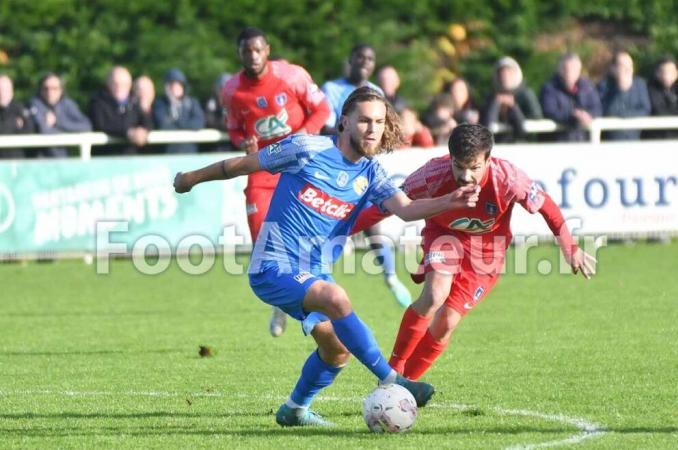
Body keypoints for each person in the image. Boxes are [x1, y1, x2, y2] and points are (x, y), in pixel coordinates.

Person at [173, 86, 480, 426]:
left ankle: (294, 411)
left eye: (378, 122)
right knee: (335, 297)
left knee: (337, 350)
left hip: (314, 272)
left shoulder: (371, 172)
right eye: (364, 120)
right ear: (344, 122)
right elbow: (241, 165)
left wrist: (450, 201)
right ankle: (392, 379)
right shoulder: (306, 148)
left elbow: (406, 210)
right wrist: (191, 178)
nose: (372, 129)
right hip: (273, 267)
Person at [351, 123, 596, 381]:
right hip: (444, 236)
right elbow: (387, 205)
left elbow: (547, 207)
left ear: (488, 159)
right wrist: (344, 230)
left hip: (486, 254)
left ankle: (405, 385)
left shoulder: (508, 179)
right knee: (434, 295)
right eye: (459, 166)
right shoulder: (431, 174)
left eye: (475, 167)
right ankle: (392, 373)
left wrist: (570, 248)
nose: (466, 176)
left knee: (446, 323)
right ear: (450, 158)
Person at [220, 27, 330, 337]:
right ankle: (284, 301)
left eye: (257, 49)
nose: (253, 56)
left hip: (297, 165)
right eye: (246, 51)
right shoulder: (231, 90)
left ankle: (302, 301)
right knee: (262, 240)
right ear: (239, 53)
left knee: (306, 236)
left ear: (267, 49)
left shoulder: (292, 76)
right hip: (262, 168)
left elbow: (322, 108)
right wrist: (244, 141)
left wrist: (304, 135)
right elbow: (233, 128)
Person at [322, 44, 412, 309]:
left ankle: (392, 278)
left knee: (374, 223)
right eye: (359, 57)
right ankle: (309, 282)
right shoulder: (332, 88)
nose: (364, 62)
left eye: (370, 58)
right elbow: (326, 125)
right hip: (336, 166)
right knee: (329, 227)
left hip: (365, 166)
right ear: (349, 61)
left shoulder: (377, 92)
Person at [88, 66, 152, 155]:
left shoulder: (134, 102)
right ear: (108, 84)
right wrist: (128, 132)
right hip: (106, 157)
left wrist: (144, 131)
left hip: (132, 158)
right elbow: (102, 124)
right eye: (115, 83)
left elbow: (147, 122)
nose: (119, 87)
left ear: (129, 85)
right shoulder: (97, 102)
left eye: (124, 84)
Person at [28, 72, 92, 157]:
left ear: (61, 90)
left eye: (54, 88)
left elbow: (86, 126)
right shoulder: (34, 104)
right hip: (39, 162)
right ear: (40, 90)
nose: (49, 92)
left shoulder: (67, 104)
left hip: (64, 160)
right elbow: (44, 131)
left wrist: (57, 122)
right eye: (45, 88)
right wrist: (70, 131)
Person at [540, 53, 602, 141]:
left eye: (574, 69)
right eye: (566, 69)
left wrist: (588, 115)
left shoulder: (587, 87)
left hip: (582, 141)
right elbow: (549, 111)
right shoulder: (549, 88)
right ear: (559, 69)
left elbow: (597, 108)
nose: (569, 72)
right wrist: (574, 116)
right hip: (558, 142)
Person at [481, 56, 542, 142]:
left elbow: (536, 116)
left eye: (509, 73)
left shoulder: (526, 94)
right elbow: (486, 125)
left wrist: (514, 107)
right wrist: (496, 104)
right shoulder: (491, 96)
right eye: (502, 73)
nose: (505, 77)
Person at [596, 50, 651, 141]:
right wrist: (621, 90)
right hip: (611, 141)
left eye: (630, 66)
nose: (627, 69)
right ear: (612, 68)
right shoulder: (603, 85)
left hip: (634, 139)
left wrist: (625, 117)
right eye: (623, 66)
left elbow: (645, 110)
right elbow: (608, 112)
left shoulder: (640, 84)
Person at [153, 68, 205, 153]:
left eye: (178, 84)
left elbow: (199, 123)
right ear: (166, 87)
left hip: (190, 152)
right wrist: (186, 124)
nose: (175, 88)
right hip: (167, 153)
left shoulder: (192, 103)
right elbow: (162, 124)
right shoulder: (160, 103)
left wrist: (178, 123)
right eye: (172, 84)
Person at [645, 56, 678, 139]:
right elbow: (660, 112)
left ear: (677, 74)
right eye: (664, 72)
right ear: (657, 73)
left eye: (671, 72)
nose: (667, 75)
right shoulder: (650, 90)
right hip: (659, 139)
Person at [0, 74, 34, 159]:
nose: (2, 93)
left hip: (16, 163)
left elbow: (29, 132)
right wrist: (13, 125)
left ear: (12, 91)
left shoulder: (20, 109)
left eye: (5, 90)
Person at [202, 73, 233, 152]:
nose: (224, 92)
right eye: (221, 89)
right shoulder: (210, 103)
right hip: (212, 150)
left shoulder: (236, 105)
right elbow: (208, 122)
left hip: (232, 150)